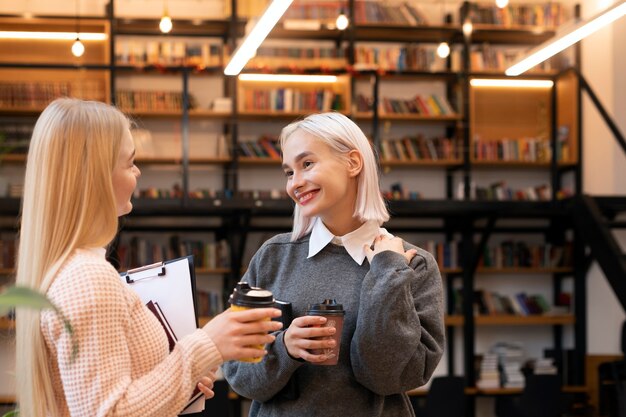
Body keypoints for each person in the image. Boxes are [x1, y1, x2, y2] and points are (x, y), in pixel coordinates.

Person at [14, 98, 282, 417]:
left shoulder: (70, 269)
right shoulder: (88, 277)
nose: (137, 172)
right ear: (96, 176)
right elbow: (110, 412)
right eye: (129, 163)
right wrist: (206, 343)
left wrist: (178, 381)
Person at [223, 112, 445, 416]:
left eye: (307, 164)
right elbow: (238, 376)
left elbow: (388, 378)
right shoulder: (273, 256)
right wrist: (284, 347)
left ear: (353, 163)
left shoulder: (411, 265)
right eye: (289, 172)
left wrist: (387, 274)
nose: (295, 183)